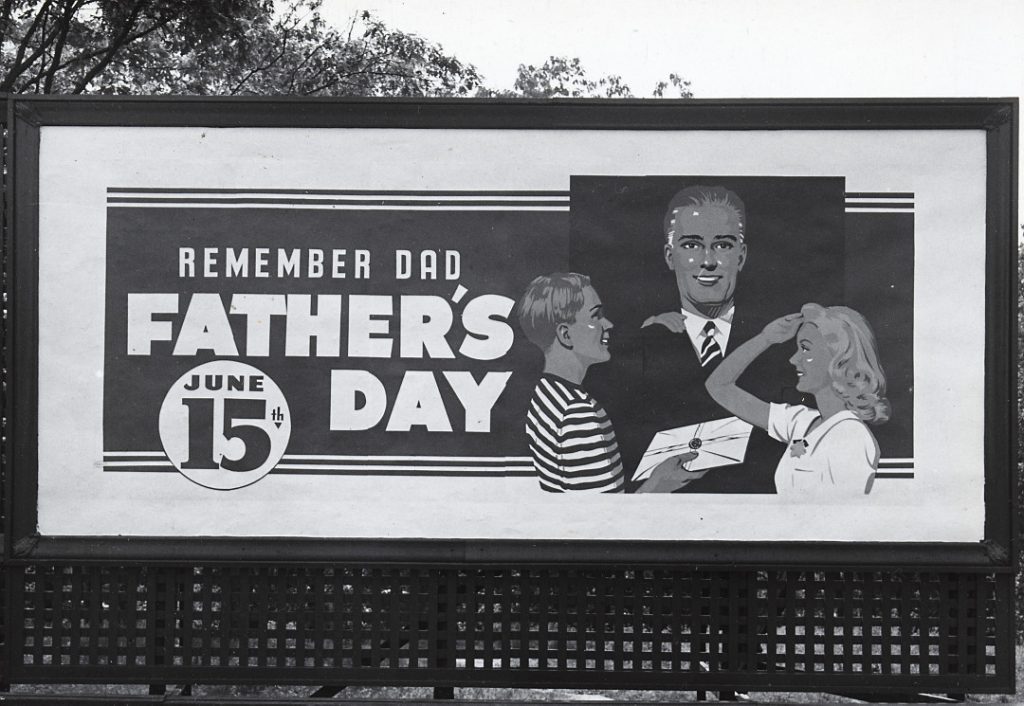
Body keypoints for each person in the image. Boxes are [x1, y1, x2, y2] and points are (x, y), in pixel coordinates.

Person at [588, 185, 789, 493]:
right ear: (670, 256)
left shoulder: (780, 346)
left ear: (742, 255)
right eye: (692, 245)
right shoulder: (630, 349)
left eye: (722, 245)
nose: (707, 260)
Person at [516, 272, 699, 493]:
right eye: (596, 316)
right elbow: (606, 520)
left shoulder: (546, 392)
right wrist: (660, 483)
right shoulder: (578, 413)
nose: (608, 324)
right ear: (565, 335)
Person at [705, 303, 890, 497]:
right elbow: (719, 387)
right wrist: (766, 338)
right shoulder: (801, 422)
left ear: (839, 360)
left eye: (805, 349)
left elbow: (839, 518)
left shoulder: (851, 436)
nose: (793, 359)